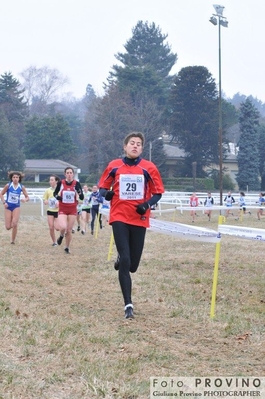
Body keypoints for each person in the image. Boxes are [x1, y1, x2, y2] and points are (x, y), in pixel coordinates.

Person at [98, 132, 164, 319]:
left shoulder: (149, 168)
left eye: (138, 144)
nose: (135, 146)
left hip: (139, 219)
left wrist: (146, 205)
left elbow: (158, 193)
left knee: (132, 265)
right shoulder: (114, 166)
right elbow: (102, 188)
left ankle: (122, 258)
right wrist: (107, 194)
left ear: (142, 149)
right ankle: (128, 305)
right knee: (126, 261)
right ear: (125, 146)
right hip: (119, 216)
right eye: (132, 143)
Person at [53, 166, 84, 254]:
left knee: (69, 230)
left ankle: (67, 247)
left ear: (73, 174)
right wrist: (58, 197)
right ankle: (62, 235)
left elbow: (81, 196)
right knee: (63, 227)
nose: (69, 174)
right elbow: (55, 193)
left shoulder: (76, 183)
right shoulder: (61, 183)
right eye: (68, 173)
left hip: (72, 209)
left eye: (71, 173)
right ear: (65, 174)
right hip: (63, 208)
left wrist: (80, 193)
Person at [0, 171, 29, 244]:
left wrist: (24, 200)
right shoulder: (8, 185)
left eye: (17, 177)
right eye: (14, 177)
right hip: (8, 206)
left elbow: (27, 197)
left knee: (15, 224)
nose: (15, 179)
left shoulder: (21, 187)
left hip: (16, 206)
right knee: (8, 227)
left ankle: (12, 240)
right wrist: (4, 202)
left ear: (19, 178)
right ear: (11, 178)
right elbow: (1, 194)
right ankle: (13, 222)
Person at [43, 175, 60, 246]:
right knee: (51, 227)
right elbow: (44, 199)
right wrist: (45, 201)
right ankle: (54, 242)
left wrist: (59, 203)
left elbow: (63, 199)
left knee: (57, 228)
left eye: (52, 180)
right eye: (50, 180)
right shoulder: (48, 190)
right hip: (50, 210)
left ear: (56, 181)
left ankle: (63, 232)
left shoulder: (60, 190)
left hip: (58, 211)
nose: (50, 181)